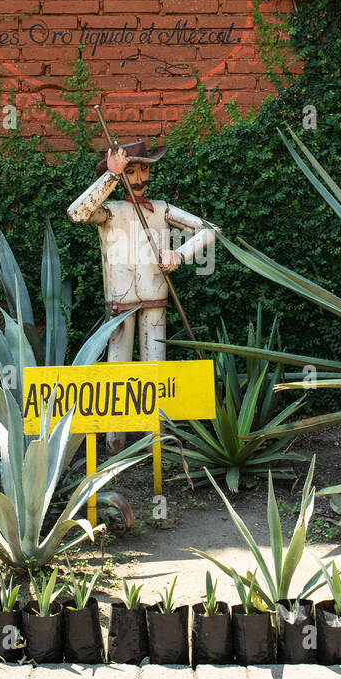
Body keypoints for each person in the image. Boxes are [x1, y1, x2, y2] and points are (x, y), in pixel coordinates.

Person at [68, 141, 217, 452]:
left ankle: (155, 442)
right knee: (119, 371)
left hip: (155, 300)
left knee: (155, 371)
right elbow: (77, 213)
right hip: (119, 305)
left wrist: (179, 254)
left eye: (143, 169)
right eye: (131, 171)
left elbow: (209, 230)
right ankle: (115, 443)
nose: (138, 179)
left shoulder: (160, 208)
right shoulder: (109, 211)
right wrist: (110, 176)